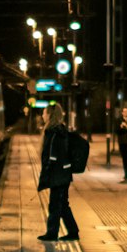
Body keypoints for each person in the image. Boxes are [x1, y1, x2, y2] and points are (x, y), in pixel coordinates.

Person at [37, 102, 79, 241]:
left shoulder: (54, 132)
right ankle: (72, 231)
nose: (42, 115)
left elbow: (51, 156)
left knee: (56, 204)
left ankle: (52, 233)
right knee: (62, 203)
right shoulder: (59, 131)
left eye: (44, 112)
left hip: (58, 174)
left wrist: (47, 173)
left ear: (49, 115)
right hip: (62, 173)